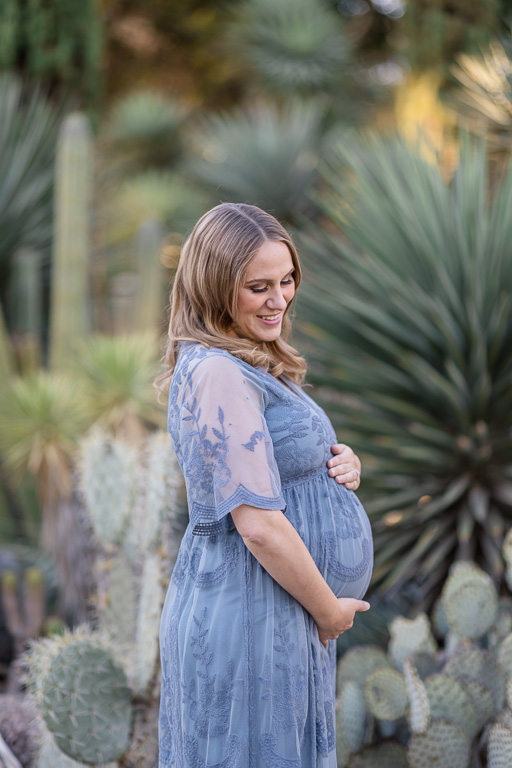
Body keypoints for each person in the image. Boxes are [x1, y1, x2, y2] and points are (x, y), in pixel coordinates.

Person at [157, 203, 373, 768]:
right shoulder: (220, 372)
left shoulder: (243, 362)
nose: (279, 299)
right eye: (258, 287)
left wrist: (339, 464)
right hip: (252, 610)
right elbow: (257, 526)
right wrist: (328, 611)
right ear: (214, 287)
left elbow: (276, 462)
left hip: (275, 607)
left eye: (287, 280)